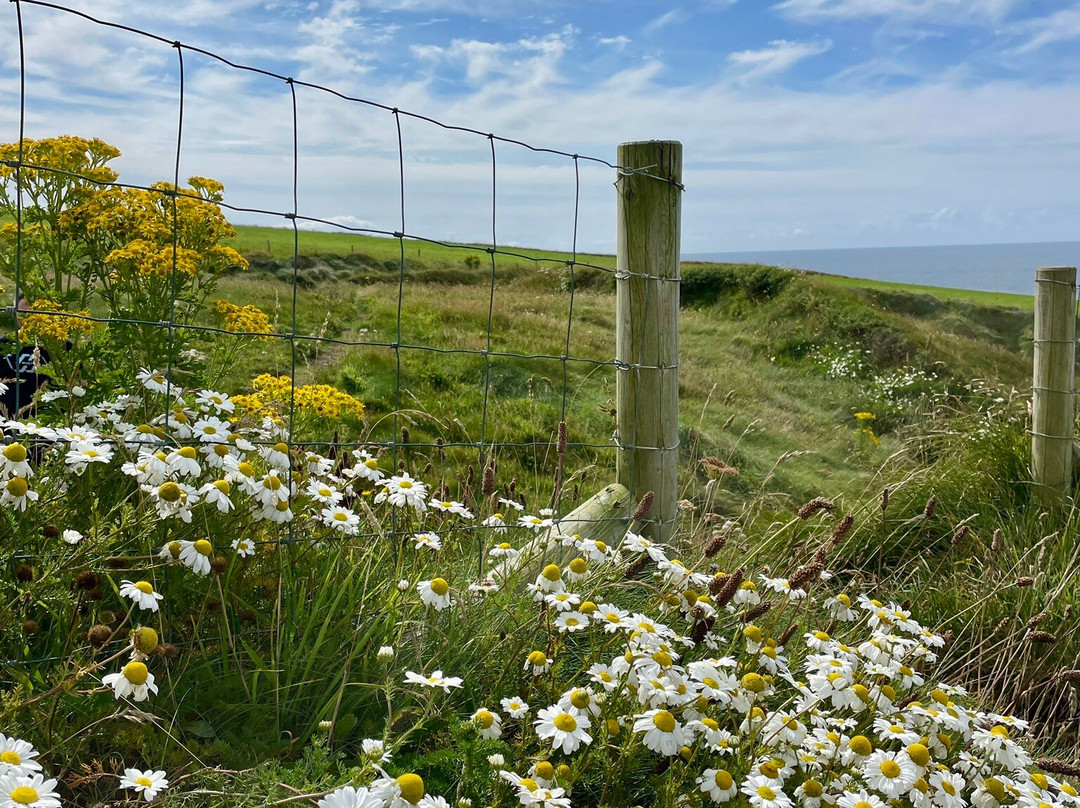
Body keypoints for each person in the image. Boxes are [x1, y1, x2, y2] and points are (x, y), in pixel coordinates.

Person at [0, 296, 52, 417]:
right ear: (14, 314)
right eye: (23, 313)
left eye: (33, 313)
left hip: (49, 423)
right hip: (6, 420)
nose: (28, 319)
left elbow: (80, 383)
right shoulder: (3, 344)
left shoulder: (61, 347)